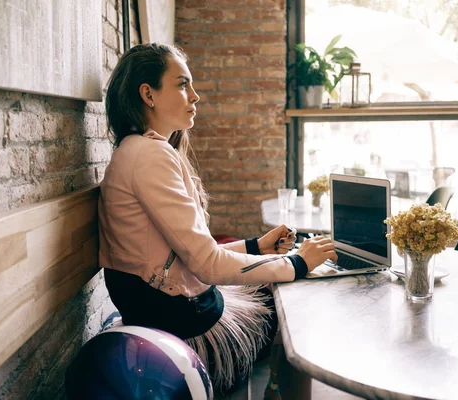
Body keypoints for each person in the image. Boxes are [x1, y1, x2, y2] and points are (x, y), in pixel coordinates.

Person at [98, 43, 338, 398]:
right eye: (182, 85)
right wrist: (296, 263)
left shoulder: (141, 149)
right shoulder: (149, 156)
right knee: (297, 296)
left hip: (175, 302)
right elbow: (207, 265)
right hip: (180, 319)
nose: (195, 96)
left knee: (287, 286)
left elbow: (181, 256)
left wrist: (257, 246)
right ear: (148, 94)